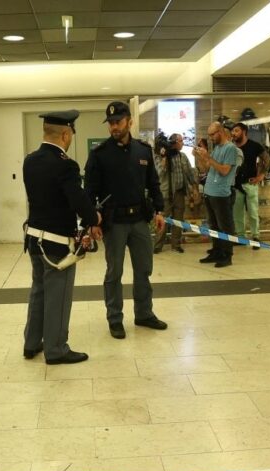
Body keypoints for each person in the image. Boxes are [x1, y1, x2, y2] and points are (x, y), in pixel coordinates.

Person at [23, 110, 100, 365]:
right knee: (58, 295)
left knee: (39, 292)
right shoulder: (65, 164)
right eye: (71, 134)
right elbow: (78, 201)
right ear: (65, 134)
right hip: (57, 244)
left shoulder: (30, 160)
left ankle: (32, 343)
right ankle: (56, 349)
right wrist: (94, 218)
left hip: (34, 239)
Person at [85, 101, 167, 340]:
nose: (114, 127)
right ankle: (115, 318)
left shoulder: (143, 150)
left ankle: (144, 313)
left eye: (118, 122)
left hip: (140, 220)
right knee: (114, 273)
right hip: (114, 223)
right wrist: (92, 222)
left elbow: (153, 183)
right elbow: (89, 191)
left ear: (129, 121)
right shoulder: (99, 155)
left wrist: (159, 210)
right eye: (110, 123)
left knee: (144, 270)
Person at [195, 122, 238, 268]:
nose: (211, 138)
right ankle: (216, 251)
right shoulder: (217, 149)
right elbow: (207, 169)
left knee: (225, 227)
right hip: (210, 192)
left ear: (220, 132)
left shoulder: (231, 148)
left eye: (213, 134)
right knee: (214, 226)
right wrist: (201, 157)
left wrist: (209, 157)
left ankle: (227, 255)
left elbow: (225, 170)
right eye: (209, 135)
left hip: (221, 194)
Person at [153, 133, 196, 254]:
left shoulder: (182, 156)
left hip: (180, 193)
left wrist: (194, 187)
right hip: (166, 194)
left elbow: (189, 172)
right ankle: (157, 245)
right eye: (181, 141)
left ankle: (176, 244)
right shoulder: (159, 156)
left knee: (178, 220)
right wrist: (164, 156)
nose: (182, 143)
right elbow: (160, 172)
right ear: (175, 143)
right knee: (163, 220)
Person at [232, 122, 270, 249]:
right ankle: (241, 237)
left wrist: (261, 175)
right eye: (233, 131)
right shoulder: (231, 147)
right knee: (238, 213)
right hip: (236, 185)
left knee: (253, 213)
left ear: (244, 132)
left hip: (250, 184)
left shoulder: (254, 146)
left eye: (236, 131)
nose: (234, 133)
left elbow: (267, 159)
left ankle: (256, 236)